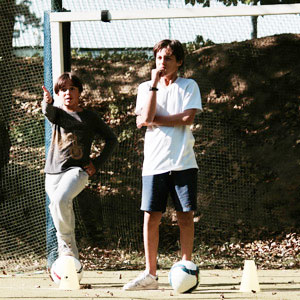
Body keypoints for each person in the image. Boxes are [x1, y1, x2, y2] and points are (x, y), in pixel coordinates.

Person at [123, 39, 202, 291]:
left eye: (168, 58)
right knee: (150, 217)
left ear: (179, 61)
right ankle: (150, 274)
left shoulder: (189, 85)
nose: (162, 62)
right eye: (159, 58)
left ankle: (186, 267)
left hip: (184, 163)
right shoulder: (146, 86)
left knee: (185, 216)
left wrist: (155, 120)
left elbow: (188, 117)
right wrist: (155, 87)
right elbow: (144, 118)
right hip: (154, 164)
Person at [42, 72, 118, 260]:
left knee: (61, 200)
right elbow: (48, 111)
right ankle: (70, 262)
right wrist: (47, 102)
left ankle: (66, 245)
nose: (68, 93)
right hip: (53, 173)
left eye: (72, 89)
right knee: (57, 208)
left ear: (79, 92)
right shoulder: (57, 114)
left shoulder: (90, 118)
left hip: (77, 171)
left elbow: (112, 140)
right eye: (63, 89)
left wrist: (97, 163)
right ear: (58, 94)